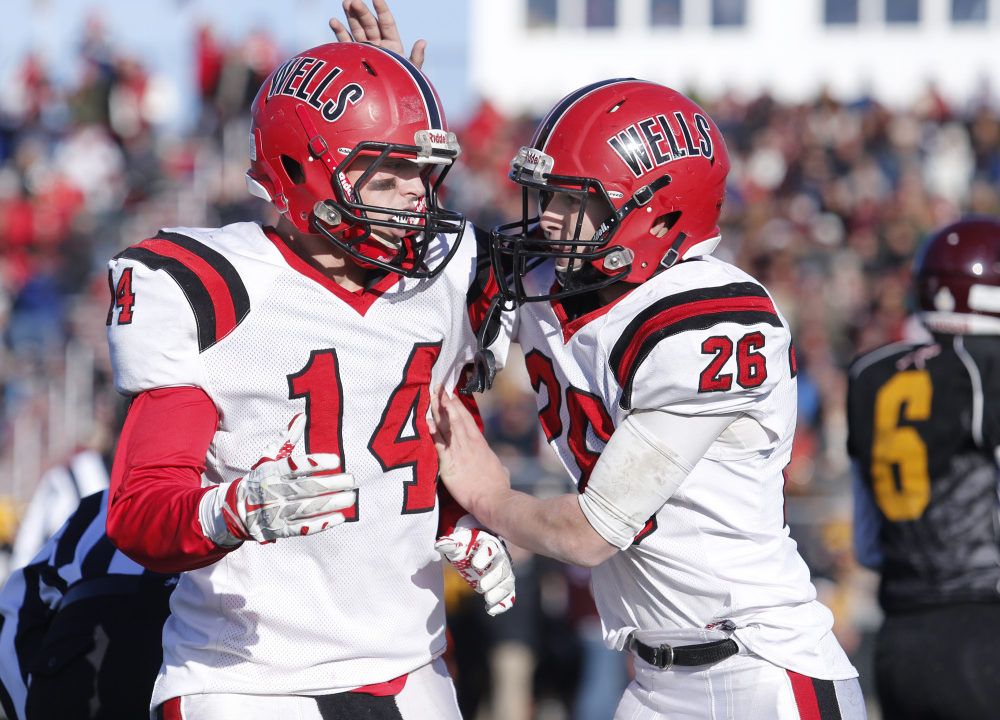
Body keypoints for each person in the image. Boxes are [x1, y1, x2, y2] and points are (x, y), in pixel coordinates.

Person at [429, 78, 866, 718]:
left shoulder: (709, 315)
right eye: (546, 194)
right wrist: (401, 126)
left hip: (763, 673)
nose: (546, 216)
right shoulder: (553, 281)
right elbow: (412, 272)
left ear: (656, 215)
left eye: (572, 201)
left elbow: (590, 535)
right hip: (653, 680)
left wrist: (490, 499)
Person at [104, 38, 514, 719]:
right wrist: (229, 510)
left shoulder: (445, 274)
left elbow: (404, 447)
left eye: (422, 170)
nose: (416, 197)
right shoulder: (218, 291)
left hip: (408, 660)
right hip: (246, 676)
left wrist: (458, 518)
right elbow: (139, 509)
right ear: (304, 176)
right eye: (387, 174)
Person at [847, 217, 1000, 720]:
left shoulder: (873, 372)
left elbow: (869, 545)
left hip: (901, 640)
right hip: (984, 630)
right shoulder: (986, 365)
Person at [0, 489, 176, 720]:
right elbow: (17, 604)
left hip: (79, 670)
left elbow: (15, 605)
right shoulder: (100, 503)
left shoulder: (103, 503)